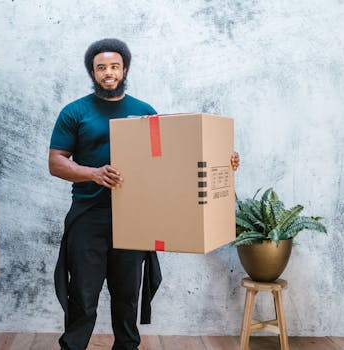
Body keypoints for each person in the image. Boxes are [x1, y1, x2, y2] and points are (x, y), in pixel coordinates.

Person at [48, 38, 240, 350]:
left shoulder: (145, 112)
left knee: (127, 296)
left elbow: (176, 160)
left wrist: (223, 161)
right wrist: (93, 174)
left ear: (124, 69)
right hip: (88, 217)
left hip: (135, 218)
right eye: (101, 67)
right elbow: (55, 162)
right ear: (92, 72)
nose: (108, 72)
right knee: (83, 295)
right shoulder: (75, 112)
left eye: (114, 66)